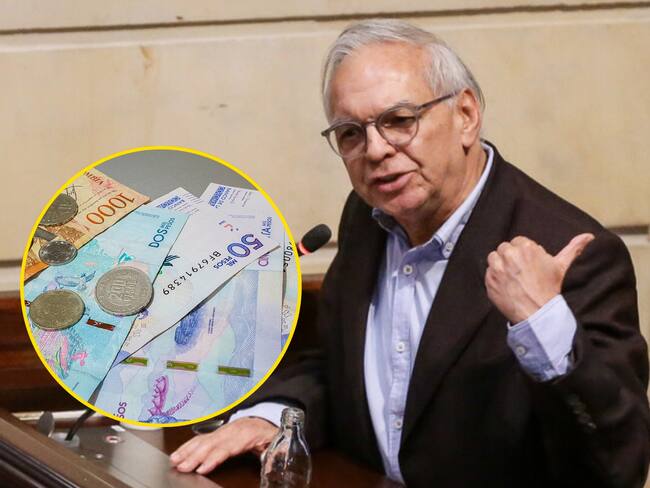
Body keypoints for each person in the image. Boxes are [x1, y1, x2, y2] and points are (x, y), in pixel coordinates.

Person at [170, 19, 650, 486]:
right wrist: (275, 417)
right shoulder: (367, 215)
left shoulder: (570, 252)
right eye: (351, 133)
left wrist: (543, 326)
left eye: (399, 121)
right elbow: (340, 368)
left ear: (466, 115)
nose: (375, 150)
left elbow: (619, 467)